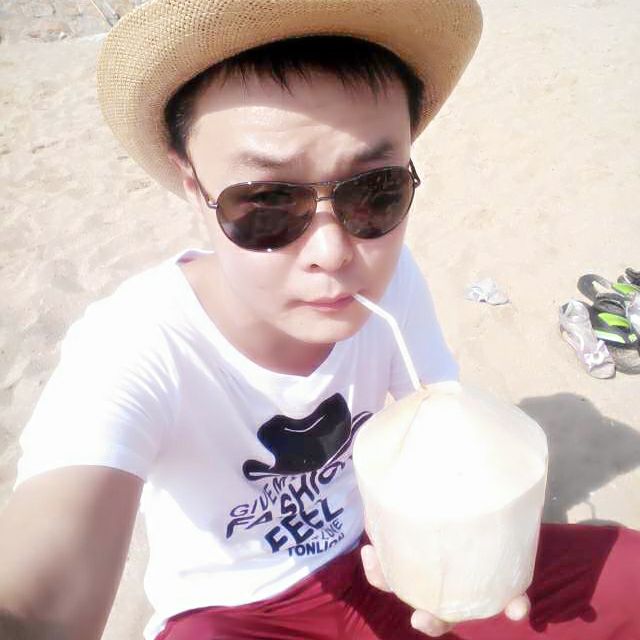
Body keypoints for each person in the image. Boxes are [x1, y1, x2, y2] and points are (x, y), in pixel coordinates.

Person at [0, 1, 638, 639]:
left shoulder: (392, 276)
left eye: (376, 190)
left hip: (385, 554)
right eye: (267, 202)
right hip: (238, 613)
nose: (334, 254)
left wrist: (472, 544)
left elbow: (440, 407)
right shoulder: (136, 344)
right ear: (193, 187)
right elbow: (43, 590)